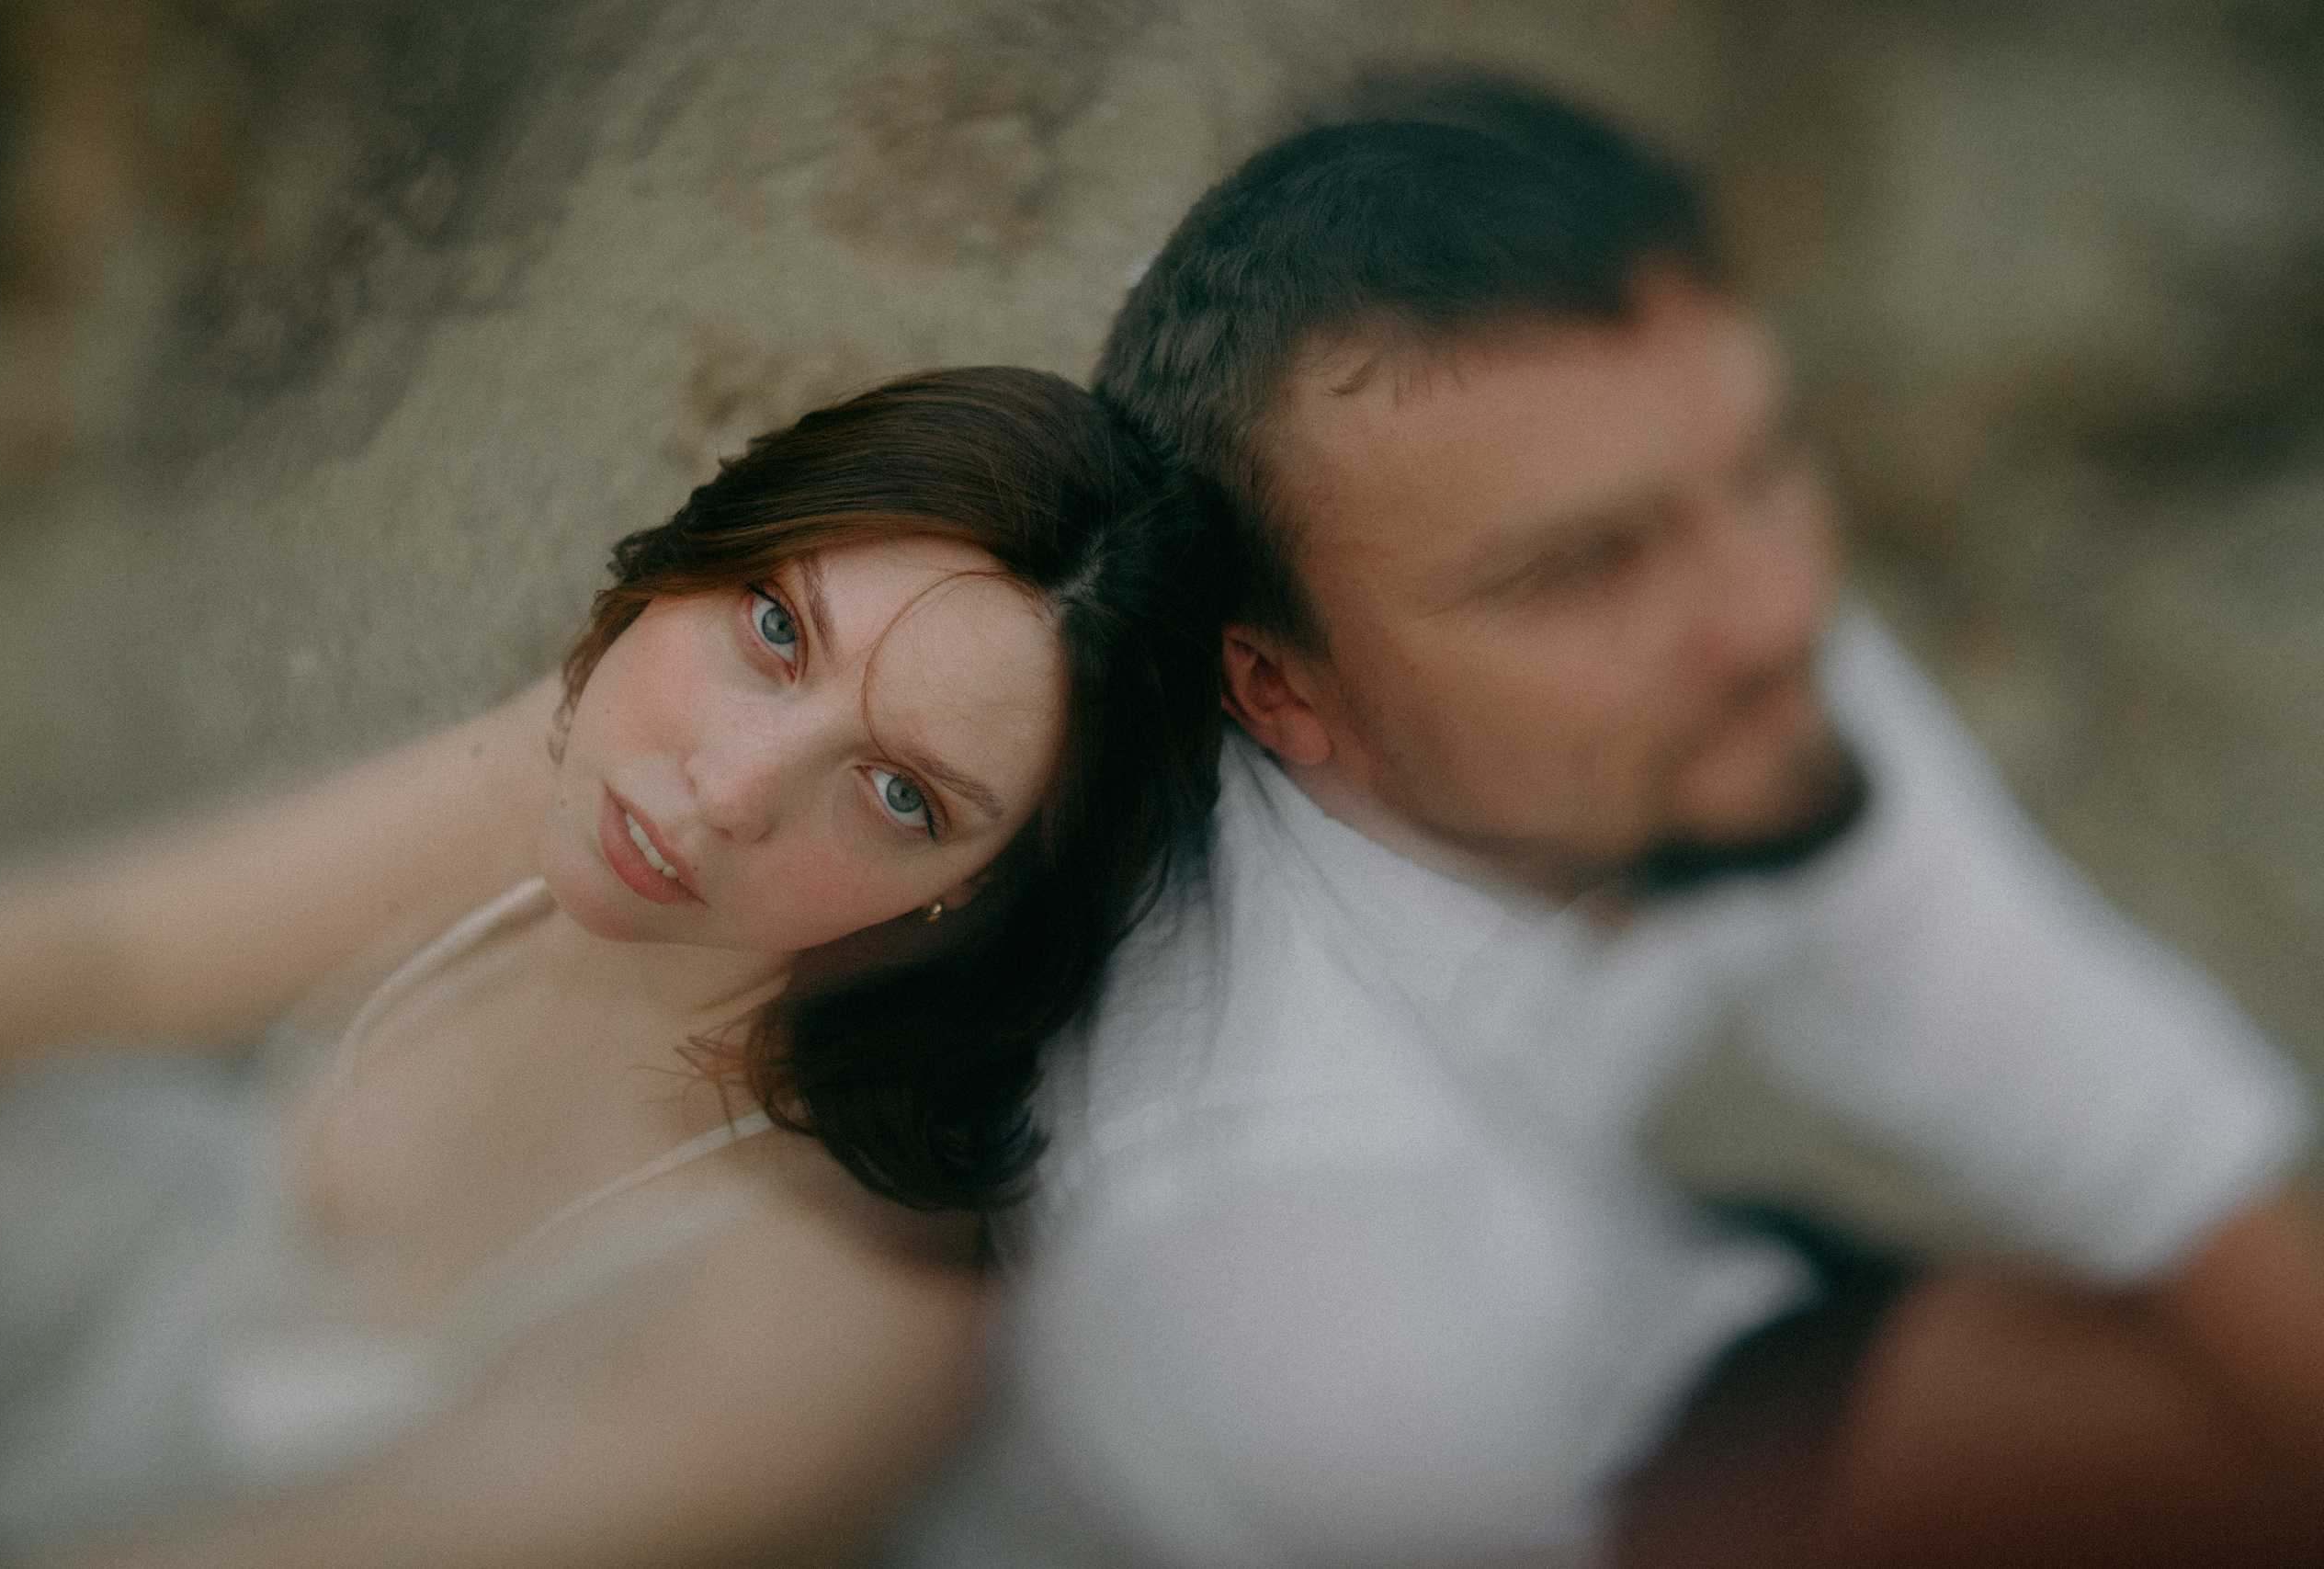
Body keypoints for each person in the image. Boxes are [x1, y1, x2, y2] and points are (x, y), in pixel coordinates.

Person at [884, 85, 2324, 1568]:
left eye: (1763, 463)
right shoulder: (1262, 1255)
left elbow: (2128, 1108)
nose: (1775, 611)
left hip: (1648, 1325)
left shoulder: (1703, 660)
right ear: (1282, 690)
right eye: (1582, 568)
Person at [0, 366, 1223, 1569]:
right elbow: (107, 952)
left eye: (902, 796)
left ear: (974, 893)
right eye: (776, 628)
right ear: (702, 552)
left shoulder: (817, 1330)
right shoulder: (583, 778)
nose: (727, 789)